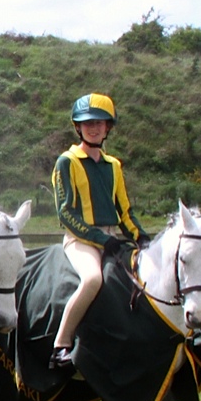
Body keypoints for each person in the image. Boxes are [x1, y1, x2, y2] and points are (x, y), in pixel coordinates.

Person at [50, 93, 146, 368]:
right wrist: (101, 238)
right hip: (80, 239)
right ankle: (61, 345)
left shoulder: (114, 165)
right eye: (87, 123)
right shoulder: (67, 161)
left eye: (100, 123)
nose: (94, 128)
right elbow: (65, 213)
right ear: (78, 127)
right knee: (93, 279)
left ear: (108, 128)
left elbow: (124, 211)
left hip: (111, 238)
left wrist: (141, 237)